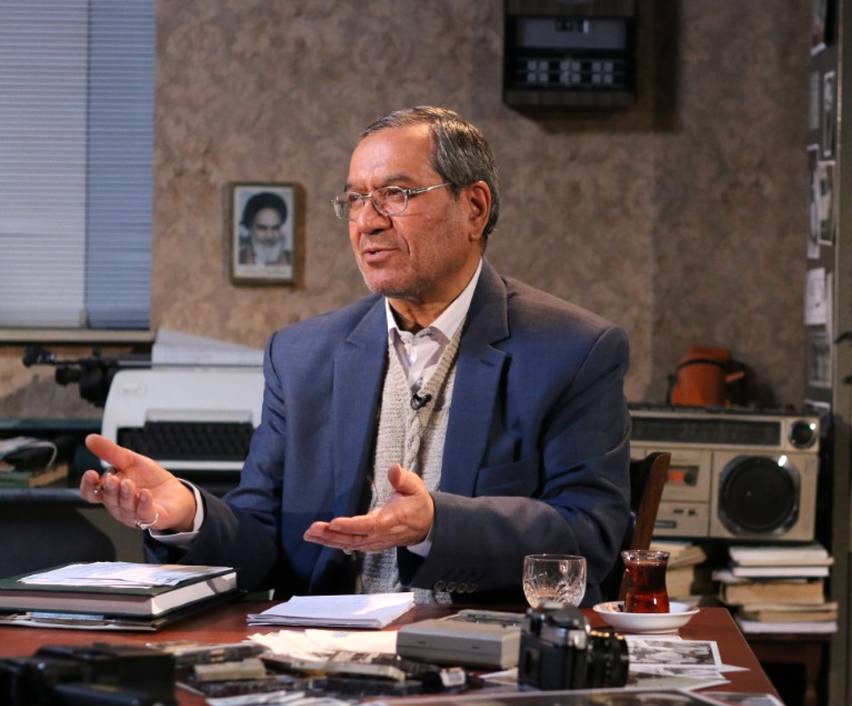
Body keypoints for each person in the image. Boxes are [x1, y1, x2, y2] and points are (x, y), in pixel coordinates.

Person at [80, 106, 631, 605]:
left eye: (397, 194)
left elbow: (589, 537)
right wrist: (187, 513)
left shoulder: (571, 350)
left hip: (478, 658)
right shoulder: (302, 356)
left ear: (474, 208)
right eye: (355, 200)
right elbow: (260, 539)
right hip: (319, 656)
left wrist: (437, 524)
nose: (367, 221)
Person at [237, 191, 292, 266]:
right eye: (262, 228)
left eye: (275, 228)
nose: (269, 236)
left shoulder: (293, 259)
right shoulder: (237, 259)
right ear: (250, 228)